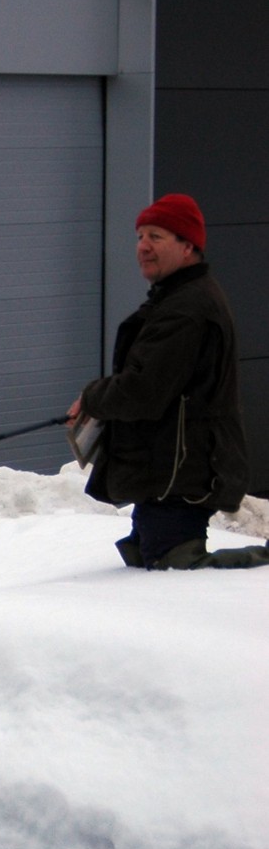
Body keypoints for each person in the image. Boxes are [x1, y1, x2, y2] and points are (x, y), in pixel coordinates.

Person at [68, 193, 265, 569]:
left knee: (178, 571)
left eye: (156, 237)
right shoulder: (176, 298)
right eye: (140, 236)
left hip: (181, 474)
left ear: (188, 245)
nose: (143, 247)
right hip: (167, 472)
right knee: (147, 561)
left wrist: (93, 397)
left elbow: (143, 391)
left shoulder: (186, 308)